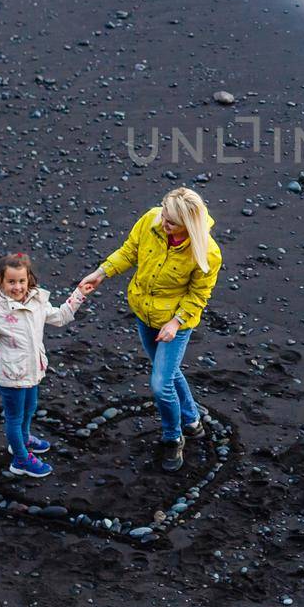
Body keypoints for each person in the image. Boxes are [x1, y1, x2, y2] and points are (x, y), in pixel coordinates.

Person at [79, 187, 221, 471]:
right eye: (163, 214)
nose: (163, 223)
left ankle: (173, 438)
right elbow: (130, 251)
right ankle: (192, 420)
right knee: (168, 370)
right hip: (144, 312)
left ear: (188, 225)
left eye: (171, 222)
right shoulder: (151, 220)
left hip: (175, 323)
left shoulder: (207, 252)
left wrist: (175, 322)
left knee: (160, 384)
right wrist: (101, 273)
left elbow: (199, 296)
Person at [0, 252, 87, 479]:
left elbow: (60, 317)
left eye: (21, 281)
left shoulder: (38, 301)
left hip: (33, 370)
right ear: (1, 281)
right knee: (14, 417)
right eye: (11, 282)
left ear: (29, 279)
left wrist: (78, 295)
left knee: (30, 408)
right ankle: (20, 459)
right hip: (11, 375)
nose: (17, 287)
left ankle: (24, 438)